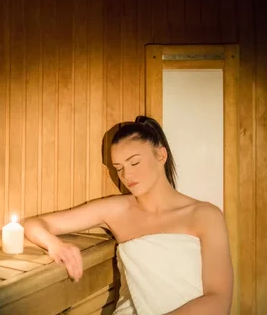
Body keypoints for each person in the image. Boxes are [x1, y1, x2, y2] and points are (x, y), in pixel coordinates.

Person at [24, 115, 233, 315]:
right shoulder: (115, 210)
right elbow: (34, 225)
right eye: (119, 168)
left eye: (134, 163)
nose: (126, 175)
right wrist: (56, 245)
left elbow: (218, 300)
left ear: (161, 155)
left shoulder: (205, 216)